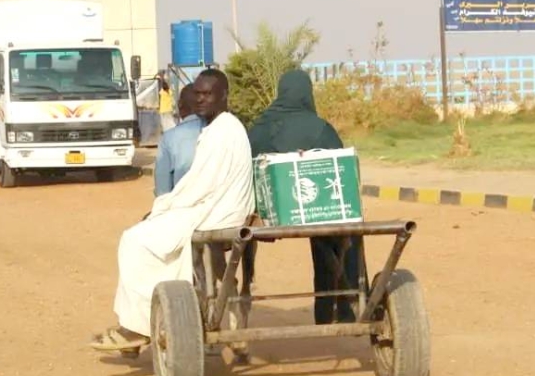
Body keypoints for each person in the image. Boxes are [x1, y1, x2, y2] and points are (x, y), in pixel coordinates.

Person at [91, 69, 254, 351]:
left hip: (216, 211)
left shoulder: (222, 131)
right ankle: (147, 320)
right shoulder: (219, 128)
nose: (201, 100)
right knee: (154, 235)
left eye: (208, 94)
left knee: (135, 240)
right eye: (198, 94)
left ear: (224, 96)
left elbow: (198, 187)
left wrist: (163, 206)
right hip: (212, 206)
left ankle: (136, 327)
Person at [247, 68, 361, 325]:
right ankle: (341, 303)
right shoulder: (320, 128)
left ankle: (246, 284)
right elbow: (340, 169)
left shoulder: (258, 128)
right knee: (342, 235)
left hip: (262, 214)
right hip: (315, 211)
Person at [153, 83, 204, 196]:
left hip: (183, 209)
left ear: (180, 105)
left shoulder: (169, 139)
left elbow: (162, 191)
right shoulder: (221, 131)